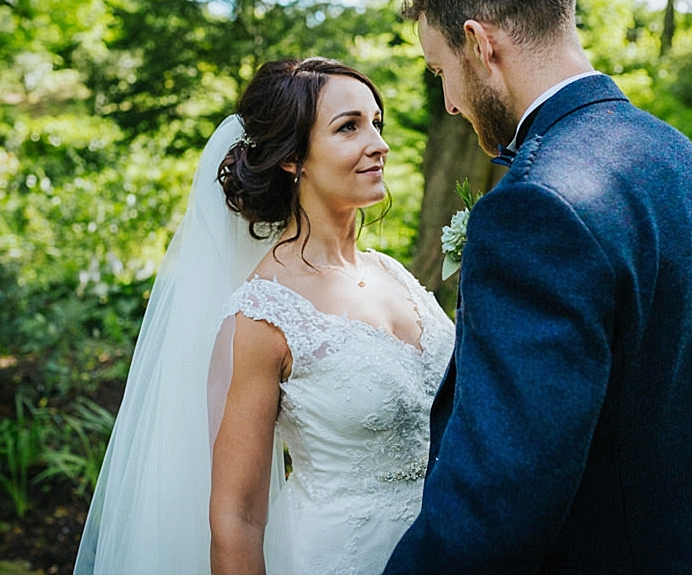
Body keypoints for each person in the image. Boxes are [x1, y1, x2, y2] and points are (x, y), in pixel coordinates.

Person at [384, 0, 692, 574]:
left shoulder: (536, 207)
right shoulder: (682, 159)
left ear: (478, 44)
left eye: (439, 70)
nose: (447, 103)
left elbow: (498, 499)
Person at [74, 57, 454, 575]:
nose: (379, 144)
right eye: (349, 127)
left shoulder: (393, 273)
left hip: (449, 546)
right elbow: (237, 517)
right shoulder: (263, 314)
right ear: (292, 158)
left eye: (376, 124)